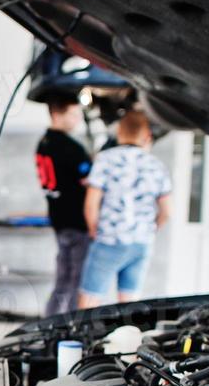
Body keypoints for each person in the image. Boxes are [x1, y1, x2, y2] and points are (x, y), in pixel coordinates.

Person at [78, 110, 172, 308]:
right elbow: (166, 211)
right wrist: (150, 228)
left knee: (89, 300)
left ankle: (85, 339)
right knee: (129, 303)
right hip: (141, 242)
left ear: (119, 134)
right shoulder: (156, 165)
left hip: (110, 239)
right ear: (147, 137)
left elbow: (91, 204)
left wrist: (94, 230)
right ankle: (127, 337)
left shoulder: (105, 159)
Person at [36, 99, 93, 315]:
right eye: (73, 114)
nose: (77, 119)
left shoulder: (43, 143)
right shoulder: (71, 147)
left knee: (63, 279)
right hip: (78, 221)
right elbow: (89, 180)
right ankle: (71, 329)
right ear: (57, 114)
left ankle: (50, 324)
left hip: (59, 220)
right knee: (77, 280)